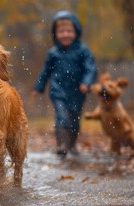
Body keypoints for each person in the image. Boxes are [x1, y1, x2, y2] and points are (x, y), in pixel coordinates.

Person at [33, 10, 97, 158]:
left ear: (76, 31)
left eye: (69, 31)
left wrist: (86, 83)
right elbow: (45, 72)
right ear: (55, 34)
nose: (65, 34)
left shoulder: (83, 50)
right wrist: (39, 87)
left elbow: (90, 68)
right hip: (58, 91)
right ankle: (62, 145)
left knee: (74, 119)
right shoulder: (53, 53)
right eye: (61, 31)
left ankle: (72, 144)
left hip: (78, 91)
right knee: (62, 116)